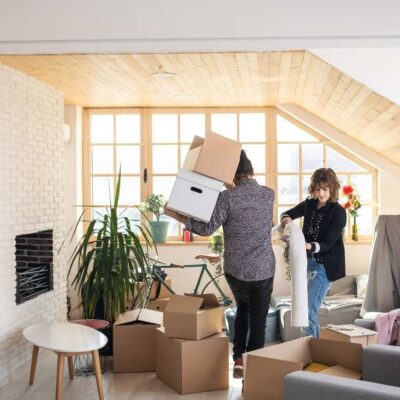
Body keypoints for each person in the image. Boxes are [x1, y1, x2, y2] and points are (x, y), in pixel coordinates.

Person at [164, 150, 275, 379]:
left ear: (231, 175)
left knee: (242, 310)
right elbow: (268, 224)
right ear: (251, 170)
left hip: (236, 270)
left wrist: (178, 216)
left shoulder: (227, 198)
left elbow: (206, 229)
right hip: (263, 269)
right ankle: (253, 373)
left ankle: (237, 360)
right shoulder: (268, 195)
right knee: (259, 321)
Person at [281, 168, 346, 338]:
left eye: (325, 189)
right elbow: (288, 213)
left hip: (325, 265)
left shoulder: (338, 212)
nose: (321, 193)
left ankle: (312, 353)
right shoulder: (309, 204)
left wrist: (308, 246)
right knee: (303, 310)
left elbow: (329, 243)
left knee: (308, 309)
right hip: (306, 262)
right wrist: (286, 219)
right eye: (318, 189)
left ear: (332, 188)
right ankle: (308, 349)